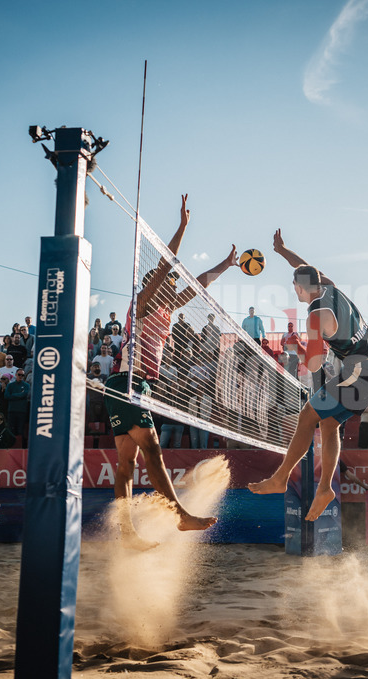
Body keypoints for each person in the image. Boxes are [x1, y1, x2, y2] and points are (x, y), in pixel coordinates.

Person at [105, 195, 237, 545]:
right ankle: (180, 516)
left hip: (125, 384)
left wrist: (226, 263)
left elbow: (200, 284)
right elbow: (165, 265)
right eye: (171, 282)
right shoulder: (144, 302)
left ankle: (127, 533)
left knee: (126, 465)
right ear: (158, 283)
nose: (176, 286)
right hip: (129, 383)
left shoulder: (165, 308)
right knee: (152, 450)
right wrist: (182, 227)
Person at [250, 228, 368, 521]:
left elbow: (314, 363)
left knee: (308, 414)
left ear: (299, 288)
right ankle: (324, 489)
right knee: (328, 424)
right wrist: (282, 250)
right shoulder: (330, 287)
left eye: (294, 286)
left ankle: (280, 478)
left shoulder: (314, 315)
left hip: (361, 373)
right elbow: (305, 268)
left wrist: (298, 346)